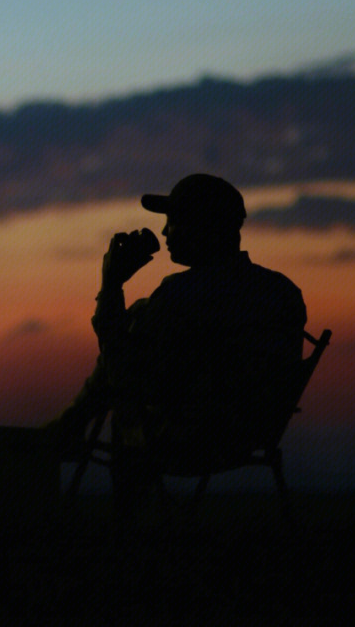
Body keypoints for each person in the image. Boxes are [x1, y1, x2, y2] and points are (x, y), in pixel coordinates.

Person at [50, 173, 307, 511]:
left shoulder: (179, 296)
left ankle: (124, 523)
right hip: (251, 434)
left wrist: (112, 285)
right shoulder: (282, 291)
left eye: (173, 222)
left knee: (123, 391)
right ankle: (69, 425)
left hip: (191, 441)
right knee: (135, 326)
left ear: (203, 227)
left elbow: (124, 375)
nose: (164, 233)